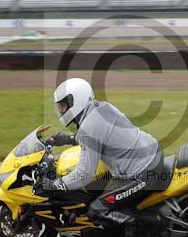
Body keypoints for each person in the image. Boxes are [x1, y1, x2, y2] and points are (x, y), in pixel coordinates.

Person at [38, 77, 166, 226]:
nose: (61, 110)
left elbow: (84, 175)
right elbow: (100, 136)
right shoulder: (102, 107)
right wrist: (68, 138)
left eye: (63, 105)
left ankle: (151, 224)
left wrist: (59, 184)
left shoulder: (88, 128)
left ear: (76, 101)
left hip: (143, 172)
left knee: (96, 210)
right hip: (152, 152)